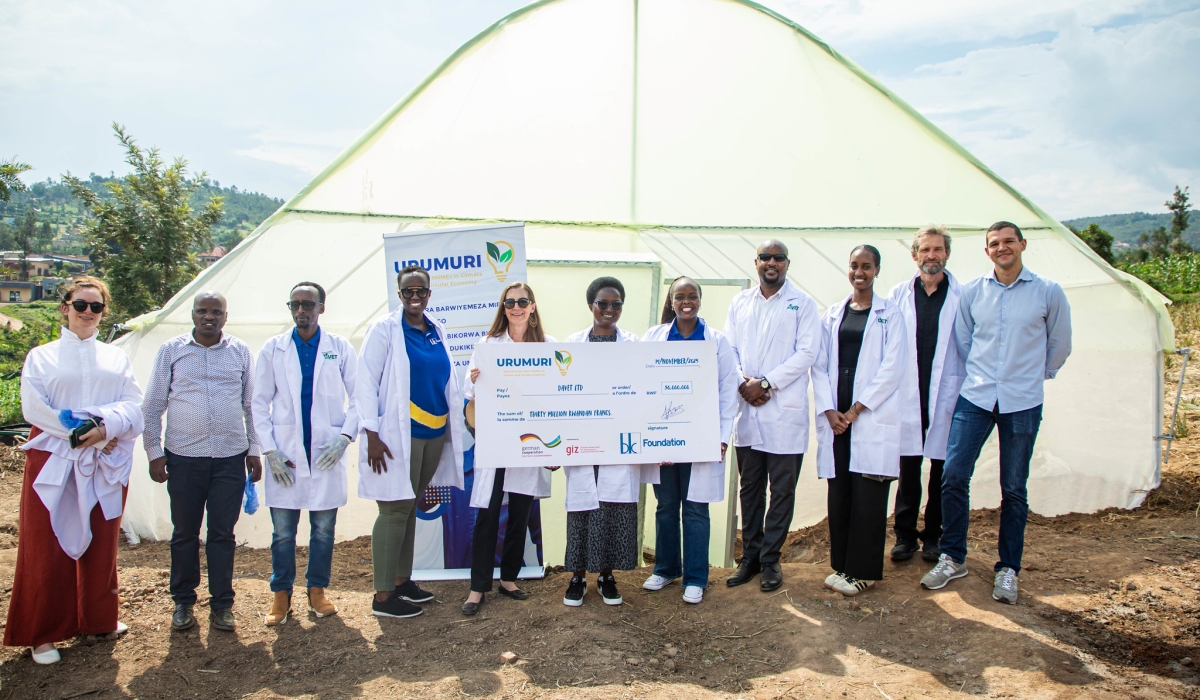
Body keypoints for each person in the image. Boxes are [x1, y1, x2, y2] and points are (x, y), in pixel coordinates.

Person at [921, 221, 1072, 605]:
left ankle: (1008, 569)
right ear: (986, 251)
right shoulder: (972, 293)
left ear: (1022, 244)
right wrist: (986, 375)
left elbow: (1059, 343)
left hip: (1022, 400)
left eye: (1008, 241)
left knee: (1013, 487)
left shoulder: (1047, 292)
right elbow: (964, 340)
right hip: (976, 397)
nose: (1002, 248)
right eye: (994, 243)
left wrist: (1034, 376)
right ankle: (953, 556)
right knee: (953, 475)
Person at [5, 277, 143, 665]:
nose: (88, 313)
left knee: (101, 539)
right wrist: (90, 435)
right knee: (46, 545)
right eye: (80, 305)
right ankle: (43, 633)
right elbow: (35, 409)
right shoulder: (42, 356)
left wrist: (107, 428)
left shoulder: (115, 357)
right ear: (65, 307)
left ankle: (98, 618)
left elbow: (134, 404)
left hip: (105, 463)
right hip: (54, 458)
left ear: (104, 311)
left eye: (96, 307)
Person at [143, 291, 261, 633]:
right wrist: (154, 453)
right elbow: (152, 406)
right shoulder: (171, 350)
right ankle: (183, 601)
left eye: (216, 312)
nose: (209, 317)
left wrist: (254, 448)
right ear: (193, 315)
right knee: (184, 533)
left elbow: (250, 405)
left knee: (222, 533)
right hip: (184, 458)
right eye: (202, 311)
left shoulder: (239, 351)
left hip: (229, 458)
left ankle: (222, 604)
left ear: (226, 317)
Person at [356, 264, 466, 619]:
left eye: (421, 291)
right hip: (395, 438)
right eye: (408, 292)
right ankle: (383, 597)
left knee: (410, 505)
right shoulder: (385, 330)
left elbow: (445, 376)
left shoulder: (436, 329)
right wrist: (371, 434)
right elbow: (365, 383)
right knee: (393, 510)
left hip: (433, 433)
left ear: (429, 294)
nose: (415, 297)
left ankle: (403, 581)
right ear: (399, 294)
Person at [252, 281, 359, 626]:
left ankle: (317, 591)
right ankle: (281, 594)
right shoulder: (274, 349)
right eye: (295, 305)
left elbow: (360, 397)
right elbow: (258, 403)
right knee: (283, 532)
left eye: (308, 305)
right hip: (286, 455)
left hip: (326, 453)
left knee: (323, 530)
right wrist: (269, 451)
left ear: (321, 308)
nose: (301, 311)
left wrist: (344, 437)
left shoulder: (338, 348)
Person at [723, 240, 821, 591]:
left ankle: (770, 559)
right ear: (756, 262)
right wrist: (743, 383)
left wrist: (766, 383)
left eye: (778, 258)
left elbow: (808, 352)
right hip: (749, 410)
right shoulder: (740, 303)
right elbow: (728, 350)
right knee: (750, 489)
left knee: (781, 490)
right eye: (766, 257)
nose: (772, 263)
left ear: (787, 263)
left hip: (784, 412)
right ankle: (749, 556)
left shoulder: (803, 304)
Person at [813, 246, 908, 596]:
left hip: (867, 415)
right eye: (854, 266)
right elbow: (819, 365)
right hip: (837, 417)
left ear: (877, 270)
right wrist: (830, 411)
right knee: (840, 494)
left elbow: (892, 368)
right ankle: (842, 565)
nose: (860, 272)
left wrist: (855, 410)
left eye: (866, 266)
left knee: (867, 495)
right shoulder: (833, 314)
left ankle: (863, 571)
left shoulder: (890, 314)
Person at [640, 277, 739, 605]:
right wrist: (651, 438)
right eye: (679, 296)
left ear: (700, 300)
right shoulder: (654, 338)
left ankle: (696, 577)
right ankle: (667, 568)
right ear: (671, 301)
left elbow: (728, 391)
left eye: (692, 296)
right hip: (663, 439)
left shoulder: (717, 341)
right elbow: (638, 380)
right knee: (666, 505)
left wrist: (721, 439)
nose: (686, 302)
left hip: (701, 439)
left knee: (695, 509)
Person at [461, 281, 556, 616]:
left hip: (529, 440)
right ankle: (477, 588)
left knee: (520, 511)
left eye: (522, 301)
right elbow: (469, 395)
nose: (516, 307)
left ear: (532, 308)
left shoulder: (548, 346)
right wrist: (472, 379)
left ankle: (509, 579)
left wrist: (555, 449)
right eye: (509, 302)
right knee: (487, 514)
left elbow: (559, 396)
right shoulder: (487, 345)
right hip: (497, 440)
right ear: (503, 308)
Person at [561, 277, 641, 607]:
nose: (609, 309)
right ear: (590, 305)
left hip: (618, 439)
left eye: (616, 304)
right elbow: (558, 394)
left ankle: (607, 576)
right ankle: (578, 576)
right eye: (602, 303)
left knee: (612, 506)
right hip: (583, 439)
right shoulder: (572, 345)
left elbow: (647, 390)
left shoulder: (634, 345)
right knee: (582, 507)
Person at [887, 226, 965, 563]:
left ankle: (933, 535)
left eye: (938, 249)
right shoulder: (897, 295)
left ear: (946, 254)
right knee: (908, 467)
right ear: (914, 255)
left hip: (946, 393)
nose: (931, 256)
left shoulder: (963, 296)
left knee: (942, 469)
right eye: (925, 250)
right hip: (908, 392)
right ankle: (905, 536)